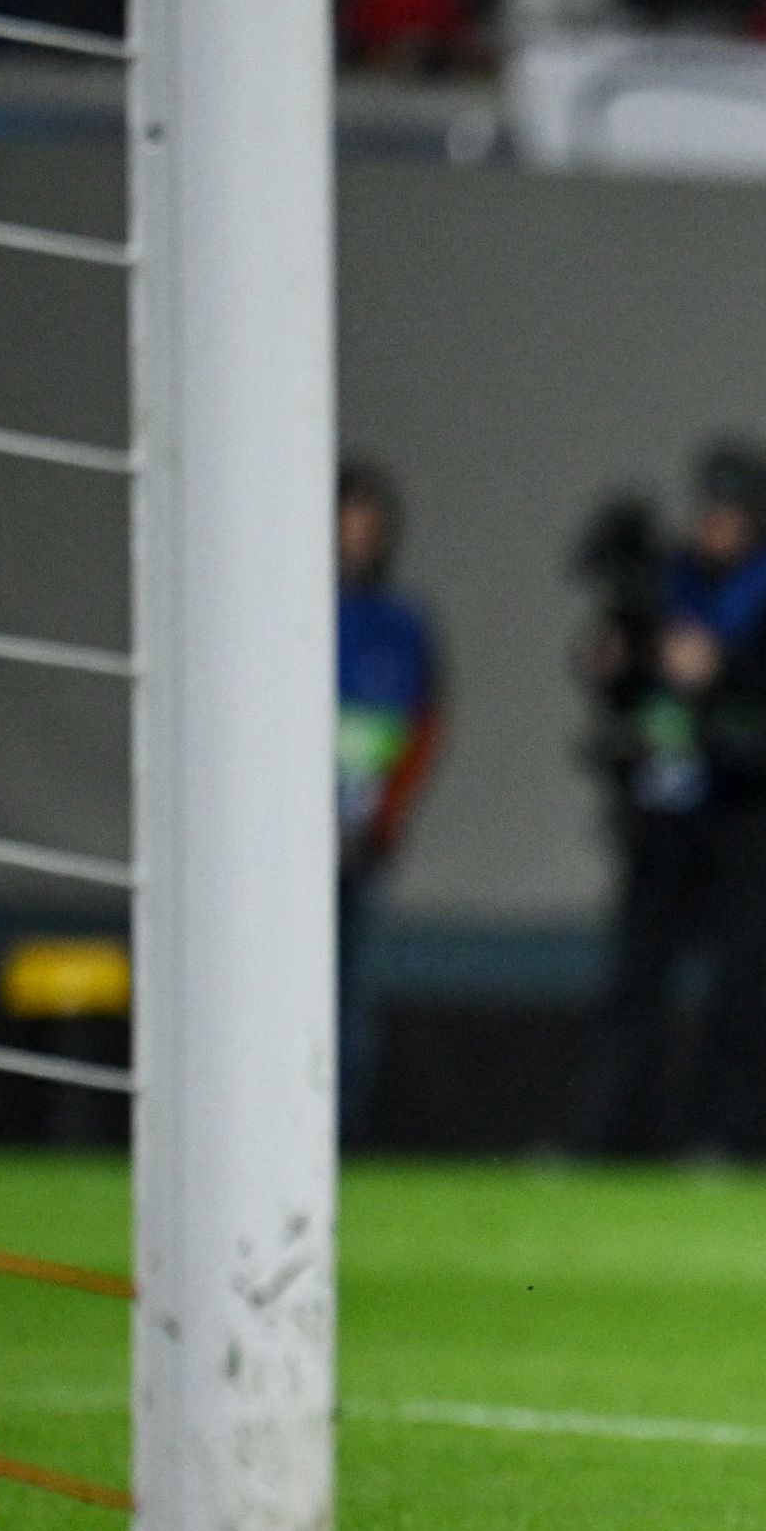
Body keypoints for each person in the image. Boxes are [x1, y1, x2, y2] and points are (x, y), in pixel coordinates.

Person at [577, 446, 766, 1159]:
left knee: (741, 986)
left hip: (754, 811)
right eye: (708, 511)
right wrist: (614, 663)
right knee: (636, 976)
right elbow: (628, 690)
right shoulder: (669, 583)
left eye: (729, 513)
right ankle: (608, 1136)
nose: (714, 526)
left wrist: (721, 674)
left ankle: (726, 1138)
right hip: (669, 803)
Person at [334, 461, 442, 1146]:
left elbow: (425, 725)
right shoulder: (283, 618)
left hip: (361, 839)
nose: (357, 539)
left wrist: (383, 817)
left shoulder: (401, 624)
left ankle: (341, 1138)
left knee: (350, 998)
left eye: (370, 527)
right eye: (348, 523)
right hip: (275, 847)